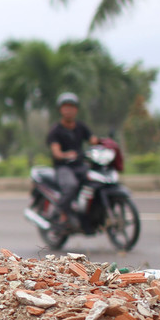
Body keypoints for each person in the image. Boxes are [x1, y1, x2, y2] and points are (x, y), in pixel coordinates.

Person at [46, 92, 98, 231]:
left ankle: (89, 214)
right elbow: (56, 152)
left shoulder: (80, 126)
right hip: (63, 167)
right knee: (71, 186)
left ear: (76, 109)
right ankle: (61, 213)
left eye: (71, 107)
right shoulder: (56, 131)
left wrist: (104, 142)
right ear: (60, 110)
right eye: (66, 107)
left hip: (80, 165)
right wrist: (65, 155)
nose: (68, 110)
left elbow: (93, 140)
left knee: (96, 181)